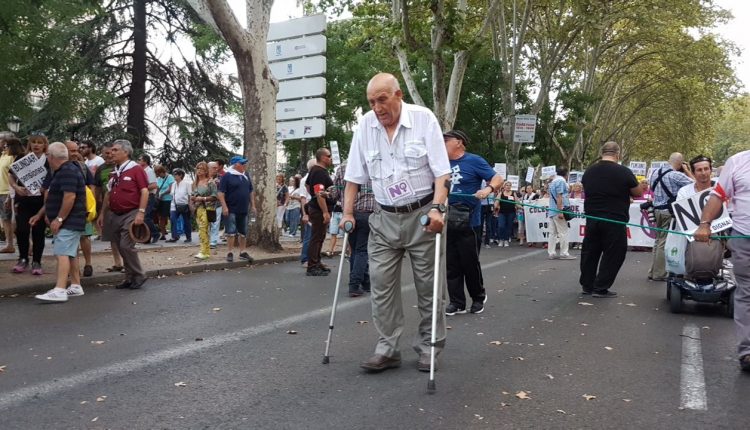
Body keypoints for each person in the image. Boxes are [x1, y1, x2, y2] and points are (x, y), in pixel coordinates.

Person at [341, 72, 451, 373]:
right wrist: (348, 214)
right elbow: (353, 177)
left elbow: (442, 173)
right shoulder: (365, 125)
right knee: (380, 285)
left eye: (382, 100)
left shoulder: (423, 119)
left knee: (429, 287)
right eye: (372, 102)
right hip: (383, 217)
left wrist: (438, 209)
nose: (377, 108)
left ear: (398, 95)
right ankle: (387, 348)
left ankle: (430, 347)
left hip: (423, 214)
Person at [694, 150, 750, 372]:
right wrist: (705, 224)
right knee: (746, 292)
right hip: (744, 237)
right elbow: (718, 195)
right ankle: (747, 351)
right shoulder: (737, 162)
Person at [443, 129, 503, 315]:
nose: (442, 142)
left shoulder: (474, 160)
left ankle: (478, 297)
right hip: (447, 218)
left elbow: (497, 178)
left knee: (469, 261)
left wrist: (488, 190)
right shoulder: (440, 163)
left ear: (459, 142)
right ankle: (457, 302)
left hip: (470, 220)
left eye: (446, 140)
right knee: (451, 263)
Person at [579, 142, 642, 298]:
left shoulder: (589, 171)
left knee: (590, 252)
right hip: (615, 219)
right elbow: (638, 192)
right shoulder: (623, 172)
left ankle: (587, 285)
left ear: (602, 152)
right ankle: (601, 287)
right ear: (617, 154)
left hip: (592, 217)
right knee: (614, 253)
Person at [33, 142, 87, 302]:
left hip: (68, 221)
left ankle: (60, 289)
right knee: (70, 253)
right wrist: (43, 213)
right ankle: (75, 285)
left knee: (62, 252)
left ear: (51, 157)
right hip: (72, 220)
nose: (46, 158)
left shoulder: (66, 171)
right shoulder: (66, 170)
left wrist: (59, 218)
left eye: (47, 155)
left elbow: (69, 196)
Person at [97, 139, 149, 289]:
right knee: (120, 246)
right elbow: (108, 194)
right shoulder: (115, 171)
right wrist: (102, 214)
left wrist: (141, 212)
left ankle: (139, 275)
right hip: (114, 214)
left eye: (115, 150)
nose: (111, 153)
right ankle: (129, 277)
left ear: (125, 152)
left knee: (126, 245)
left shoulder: (136, 169)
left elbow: (144, 191)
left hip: (131, 212)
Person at [331, 161, 375, 297]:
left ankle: (364, 281)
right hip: (368, 212)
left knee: (354, 248)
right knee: (362, 250)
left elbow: (336, 193)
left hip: (349, 213)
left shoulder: (343, 167)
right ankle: (355, 284)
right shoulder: (372, 163)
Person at [647, 153, 694, 281]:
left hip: (656, 210)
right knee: (663, 242)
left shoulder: (655, 172)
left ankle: (653, 271)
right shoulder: (676, 175)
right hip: (668, 211)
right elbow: (695, 184)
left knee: (658, 241)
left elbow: (651, 187)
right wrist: (687, 171)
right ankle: (659, 274)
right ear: (680, 163)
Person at [9, 131, 49, 275]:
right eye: (34, 142)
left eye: (40, 142)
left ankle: (37, 261)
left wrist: (46, 189)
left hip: (41, 201)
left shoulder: (48, 160)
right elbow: (11, 176)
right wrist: (16, 187)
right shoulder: (22, 158)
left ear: (45, 145)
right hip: (24, 200)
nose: (36, 145)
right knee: (22, 230)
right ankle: (23, 259)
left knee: (38, 232)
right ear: (29, 144)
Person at [64, 140, 95, 277]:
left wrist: (90, 204)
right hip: (65, 208)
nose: (76, 153)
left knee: (84, 237)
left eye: (77, 150)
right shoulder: (57, 167)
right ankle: (73, 268)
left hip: (82, 208)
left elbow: (91, 186)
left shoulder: (82, 167)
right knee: (71, 239)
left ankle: (88, 264)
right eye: (72, 151)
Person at [93, 141, 124, 272]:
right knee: (112, 236)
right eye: (106, 153)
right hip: (108, 205)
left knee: (124, 236)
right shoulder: (101, 169)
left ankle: (127, 262)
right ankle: (118, 262)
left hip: (123, 205)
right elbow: (98, 189)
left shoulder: (123, 167)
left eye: (112, 152)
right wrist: (97, 207)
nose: (109, 155)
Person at [217, 155, 255, 263]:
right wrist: (224, 206)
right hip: (231, 208)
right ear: (236, 165)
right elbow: (220, 193)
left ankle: (242, 252)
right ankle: (230, 252)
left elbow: (251, 191)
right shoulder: (227, 176)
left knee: (243, 232)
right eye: (242, 163)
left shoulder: (245, 175)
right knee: (231, 232)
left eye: (244, 163)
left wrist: (253, 205)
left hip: (243, 208)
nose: (245, 165)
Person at [304, 148, 334, 275]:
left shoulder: (316, 171)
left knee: (320, 237)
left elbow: (307, 185)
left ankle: (316, 261)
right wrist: (325, 211)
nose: (331, 158)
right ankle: (312, 265)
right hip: (318, 210)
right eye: (329, 155)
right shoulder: (319, 172)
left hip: (316, 207)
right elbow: (319, 193)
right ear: (323, 157)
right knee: (316, 237)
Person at [191, 161, 217, 260]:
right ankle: (205, 251)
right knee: (201, 230)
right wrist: (193, 202)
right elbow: (192, 196)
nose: (199, 171)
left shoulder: (210, 182)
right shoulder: (195, 183)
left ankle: (204, 251)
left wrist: (202, 199)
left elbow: (215, 196)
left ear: (206, 170)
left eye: (202, 169)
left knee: (203, 229)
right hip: (198, 209)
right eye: (198, 168)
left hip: (207, 208)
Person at [547, 167, 575, 260]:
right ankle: (564, 253)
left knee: (552, 233)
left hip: (552, 210)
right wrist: (560, 211)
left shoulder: (552, 182)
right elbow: (559, 197)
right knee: (563, 232)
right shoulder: (561, 181)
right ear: (566, 174)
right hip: (558, 210)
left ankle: (551, 252)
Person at [137, 153, 160, 244]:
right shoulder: (141, 170)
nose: (138, 161)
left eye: (140, 159)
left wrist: (142, 189)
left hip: (149, 196)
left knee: (146, 217)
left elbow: (154, 185)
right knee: (144, 217)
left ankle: (155, 233)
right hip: (143, 196)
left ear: (145, 161)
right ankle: (146, 238)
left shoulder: (149, 171)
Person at [0, 133, 16, 254]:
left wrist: (11, 195)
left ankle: (27, 243)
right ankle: (8, 244)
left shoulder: (12, 157)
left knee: (13, 220)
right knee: (5, 219)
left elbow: (14, 176)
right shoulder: (2, 156)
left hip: (8, 192)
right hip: (1, 191)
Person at [167, 168, 192, 243]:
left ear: (180, 175)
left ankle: (188, 237)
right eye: (173, 174)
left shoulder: (187, 184)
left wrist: (190, 204)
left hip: (184, 205)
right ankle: (175, 236)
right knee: (173, 219)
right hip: (174, 205)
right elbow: (172, 194)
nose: (174, 176)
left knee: (186, 221)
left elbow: (190, 195)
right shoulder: (173, 184)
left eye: (176, 174)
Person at [298, 159, 316, 265]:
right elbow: (303, 198)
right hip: (310, 208)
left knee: (315, 235)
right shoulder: (305, 180)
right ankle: (305, 258)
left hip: (314, 208)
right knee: (309, 235)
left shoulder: (313, 178)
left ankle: (313, 259)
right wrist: (305, 214)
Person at [154, 165, 174, 240]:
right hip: (160, 200)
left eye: (159, 173)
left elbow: (170, 189)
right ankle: (163, 234)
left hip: (168, 200)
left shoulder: (170, 177)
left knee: (170, 217)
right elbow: (158, 188)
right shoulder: (158, 178)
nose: (158, 175)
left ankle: (174, 234)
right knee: (161, 217)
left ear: (162, 172)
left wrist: (162, 194)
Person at [494, 181, 517, 247]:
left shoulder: (513, 194)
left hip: (511, 213)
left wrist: (523, 208)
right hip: (502, 213)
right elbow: (496, 202)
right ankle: (501, 239)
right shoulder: (500, 194)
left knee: (508, 226)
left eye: (509, 185)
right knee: (501, 226)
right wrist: (495, 206)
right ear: (504, 186)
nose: (508, 186)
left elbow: (517, 203)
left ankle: (506, 240)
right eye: (507, 185)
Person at [207, 161, 222, 248]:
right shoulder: (203, 178)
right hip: (206, 204)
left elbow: (222, 191)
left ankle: (213, 241)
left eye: (217, 168)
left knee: (215, 223)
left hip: (217, 204)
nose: (216, 169)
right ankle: (206, 239)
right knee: (206, 223)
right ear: (208, 168)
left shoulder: (221, 178)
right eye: (214, 168)